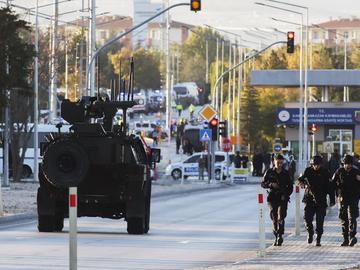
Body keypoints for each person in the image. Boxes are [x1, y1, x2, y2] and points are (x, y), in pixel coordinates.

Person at [298, 155, 330, 246]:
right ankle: (310, 232)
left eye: (318, 165)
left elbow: (329, 186)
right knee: (307, 218)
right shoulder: (308, 170)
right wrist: (304, 184)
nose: (316, 167)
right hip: (309, 199)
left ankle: (318, 238)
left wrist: (331, 199)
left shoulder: (325, 172)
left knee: (320, 221)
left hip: (321, 200)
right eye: (314, 165)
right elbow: (300, 180)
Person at [261, 154, 293, 246]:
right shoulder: (269, 172)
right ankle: (276, 235)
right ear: (274, 162)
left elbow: (290, 187)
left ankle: (280, 235)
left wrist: (286, 195)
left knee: (281, 216)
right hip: (272, 198)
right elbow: (263, 184)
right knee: (274, 217)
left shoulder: (286, 173)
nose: (279, 164)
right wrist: (270, 185)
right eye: (277, 162)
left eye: (281, 162)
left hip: (282, 198)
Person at [332, 154, 360, 246]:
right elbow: (332, 183)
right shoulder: (339, 171)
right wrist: (336, 195)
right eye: (346, 164)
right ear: (343, 164)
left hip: (353, 197)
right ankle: (345, 239)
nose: (348, 166)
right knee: (343, 218)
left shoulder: (356, 171)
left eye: (350, 164)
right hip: (342, 198)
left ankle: (352, 236)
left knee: (352, 217)